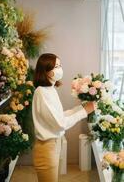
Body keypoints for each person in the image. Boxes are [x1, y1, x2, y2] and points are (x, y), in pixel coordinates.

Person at [32, 53, 95, 182]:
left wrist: (82, 109)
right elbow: (60, 123)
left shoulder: (50, 89)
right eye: (56, 66)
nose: (59, 69)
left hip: (55, 143)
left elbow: (59, 116)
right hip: (47, 147)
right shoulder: (41, 92)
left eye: (60, 65)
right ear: (46, 70)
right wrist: (83, 112)